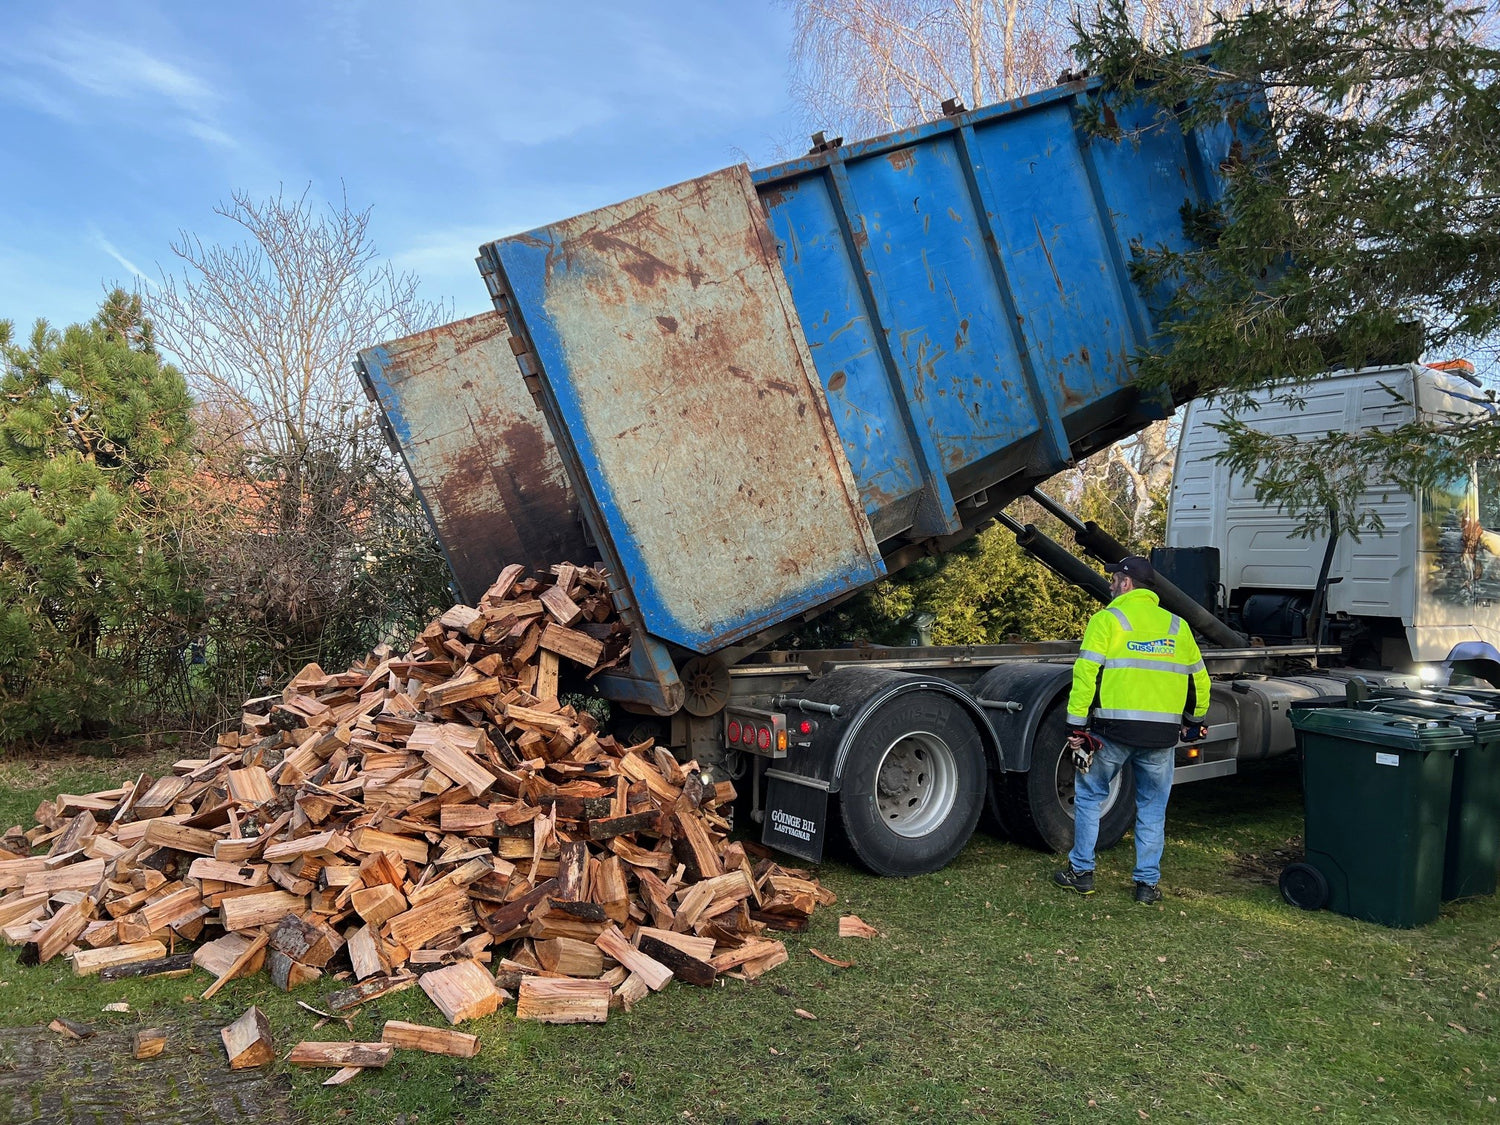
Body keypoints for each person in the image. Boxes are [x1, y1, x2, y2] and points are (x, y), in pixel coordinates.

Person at [1052, 555, 1210, 903]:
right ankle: (1146, 886)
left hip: (1112, 733)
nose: (1110, 586)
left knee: (1090, 796)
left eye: (1114, 580)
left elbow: (1086, 674)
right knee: (1152, 808)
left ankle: (1081, 872)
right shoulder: (1177, 626)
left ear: (1126, 583)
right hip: (1161, 738)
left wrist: (1075, 723)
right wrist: (1194, 721)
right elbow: (1200, 681)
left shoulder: (1107, 620)